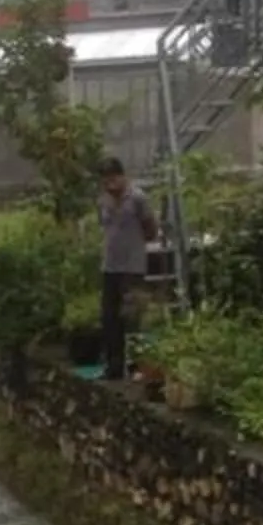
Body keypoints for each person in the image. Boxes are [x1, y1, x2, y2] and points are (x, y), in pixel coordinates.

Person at [95, 157, 159, 379]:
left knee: (131, 317)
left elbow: (151, 229)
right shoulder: (103, 202)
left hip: (132, 266)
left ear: (122, 177)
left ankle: (137, 367)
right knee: (109, 318)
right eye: (105, 180)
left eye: (112, 179)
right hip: (110, 266)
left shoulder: (137, 199)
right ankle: (114, 366)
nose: (109, 184)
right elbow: (103, 227)